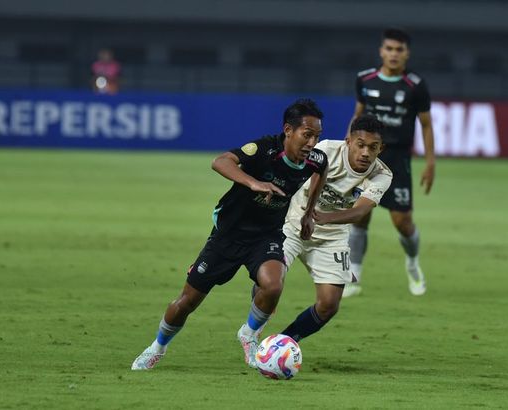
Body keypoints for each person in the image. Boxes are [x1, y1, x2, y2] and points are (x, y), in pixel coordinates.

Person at [131, 99, 328, 370]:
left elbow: (321, 171)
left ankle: (249, 334)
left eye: (317, 136)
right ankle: (157, 348)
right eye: (307, 135)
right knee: (187, 301)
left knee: (273, 285)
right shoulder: (263, 149)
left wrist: (307, 213)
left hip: (266, 235)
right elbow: (220, 161)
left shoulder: (315, 159)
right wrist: (254, 182)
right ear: (288, 130)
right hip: (228, 235)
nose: (312, 143)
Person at [275, 114, 392, 342]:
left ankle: (282, 343)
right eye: (360, 145)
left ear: (381, 149)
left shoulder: (382, 175)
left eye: (373, 147)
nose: (366, 153)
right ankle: (254, 329)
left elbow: (359, 212)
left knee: (329, 305)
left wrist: (323, 219)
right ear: (348, 141)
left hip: (333, 236)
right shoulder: (326, 149)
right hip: (294, 222)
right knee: (270, 282)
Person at [345, 28, 436, 298]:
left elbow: (427, 125)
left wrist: (430, 162)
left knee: (402, 221)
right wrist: (347, 145)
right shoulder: (364, 79)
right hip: (366, 157)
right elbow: (357, 115)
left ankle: (412, 263)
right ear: (381, 51)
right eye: (389, 49)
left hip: (397, 159)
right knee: (359, 216)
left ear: (407, 53)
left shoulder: (415, 85)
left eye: (399, 50)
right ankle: (354, 276)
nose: (394, 54)